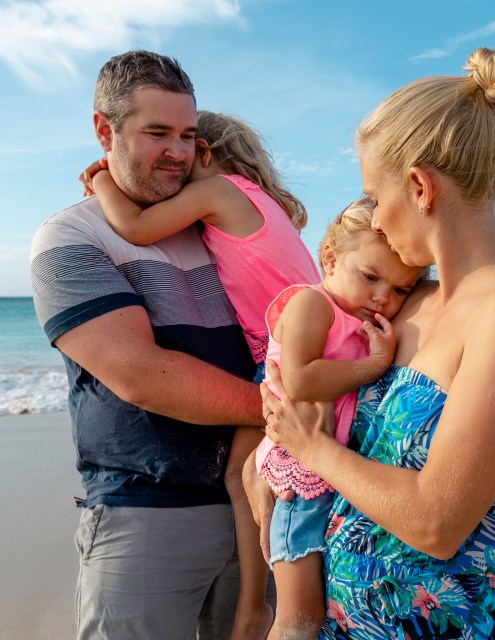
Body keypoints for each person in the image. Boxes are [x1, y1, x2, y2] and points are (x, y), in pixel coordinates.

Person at [246, 47, 495, 638]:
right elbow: (334, 412)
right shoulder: (412, 302)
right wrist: (270, 461)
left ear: (420, 187)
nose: (375, 222)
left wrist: (310, 450)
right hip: (337, 620)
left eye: (377, 193)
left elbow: (435, 521)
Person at [30, 50, 271, 640]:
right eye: (157, 133)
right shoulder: (71, 237)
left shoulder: (218, 224)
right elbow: (143, 374)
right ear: (104, 130)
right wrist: (290, 411)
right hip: (146, 514)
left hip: (266, 503)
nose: (178, 151)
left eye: (188, 135)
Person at [77, 109, 321, 639]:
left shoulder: (219, 193)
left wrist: (100, 179)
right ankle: (272, 603)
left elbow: (136, 228)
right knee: (272, 477)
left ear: (205, 155)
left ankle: (259, 608)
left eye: (184, 151)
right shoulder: (258, 203)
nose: (174, 167)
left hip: (283, 357)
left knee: (248, 476)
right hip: (305, 346)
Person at [254, 197, 429, 638]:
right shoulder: (313, 305)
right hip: (298, 473)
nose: (382, 297)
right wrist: (373, 365)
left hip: (320, 460)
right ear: (329, 258)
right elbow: (298, 380)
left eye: (401, 289)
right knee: (299, 617)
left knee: (316, 608)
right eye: (370, 277)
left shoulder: (355, 317)